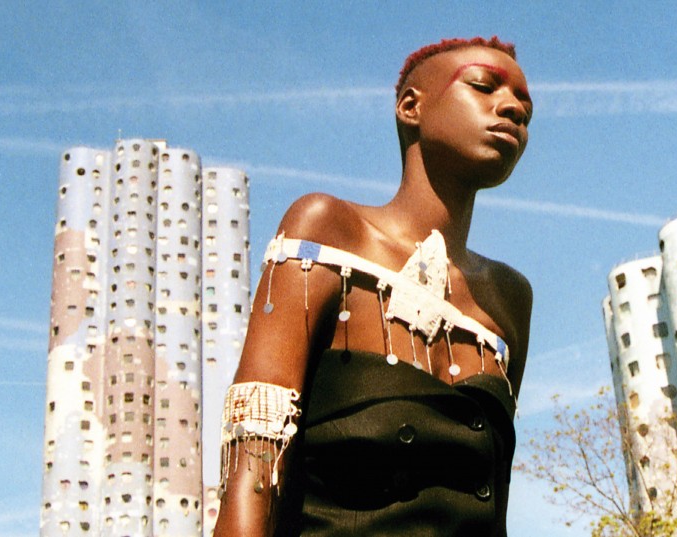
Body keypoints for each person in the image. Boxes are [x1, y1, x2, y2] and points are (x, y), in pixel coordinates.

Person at [213, 37, 533, 537]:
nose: (512, 108)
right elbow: (255, 456)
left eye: (525, 108)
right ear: (411, 106)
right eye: (483, 86)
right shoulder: (327, 232)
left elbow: (495, 507)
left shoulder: (508, 298)